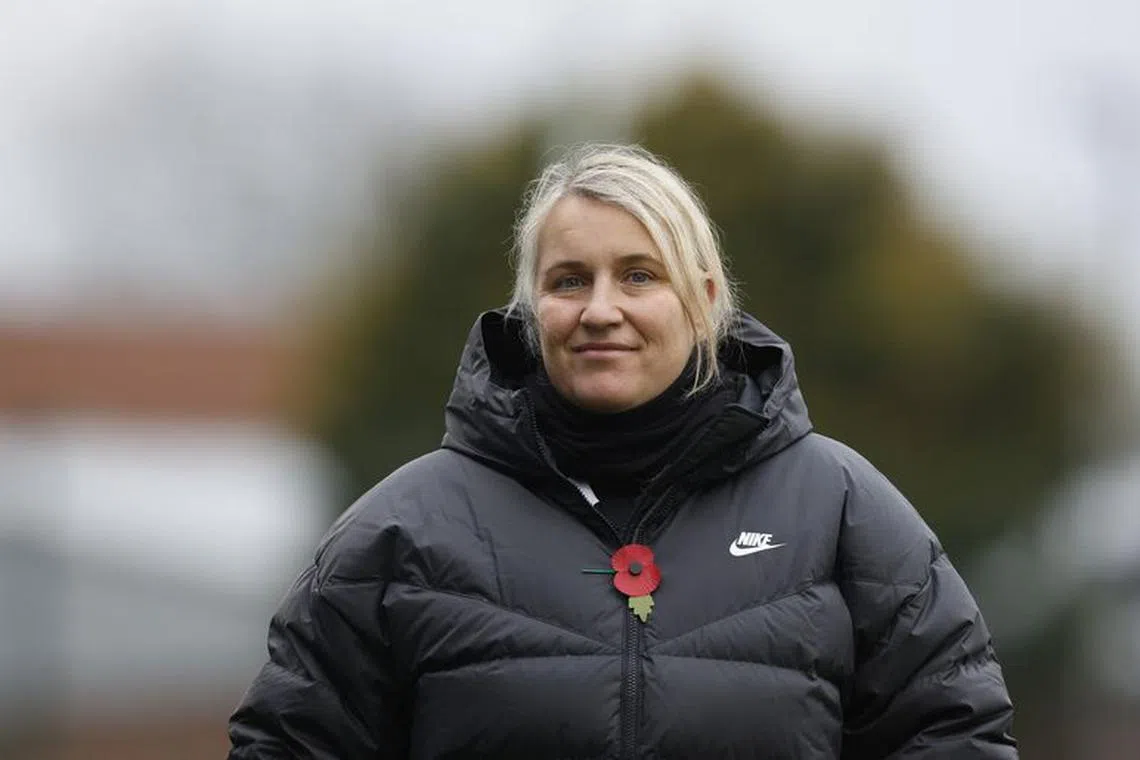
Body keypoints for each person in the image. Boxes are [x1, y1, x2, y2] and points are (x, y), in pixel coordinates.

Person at [228, 144, 1018, 758]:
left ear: (705, 300)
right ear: (532, 309)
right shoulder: (401, 529)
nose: (600, 309)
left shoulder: (844, 512)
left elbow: (954, 734)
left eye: (638, 276)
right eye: (569, 281)